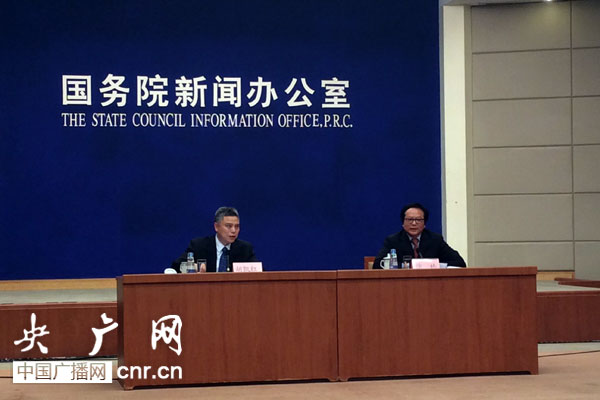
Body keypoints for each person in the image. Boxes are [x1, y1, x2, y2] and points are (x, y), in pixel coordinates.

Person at [373, 203, 466, 268]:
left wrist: (436, 266)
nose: (414, 223)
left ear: (424, 224)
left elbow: (459, 262)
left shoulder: (435, 240)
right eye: (410, 219)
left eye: (418, 220)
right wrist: (407, 266)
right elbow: (377, 265)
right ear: (403, 223)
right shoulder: (393, 241)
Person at [171, 206, 258, 272]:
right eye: (228, 226)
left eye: (237, 226)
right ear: (216, 227)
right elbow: (176, 266)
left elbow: (259, 273)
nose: (233, 230)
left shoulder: (244, 249)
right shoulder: (199, 246)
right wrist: (192, 267)